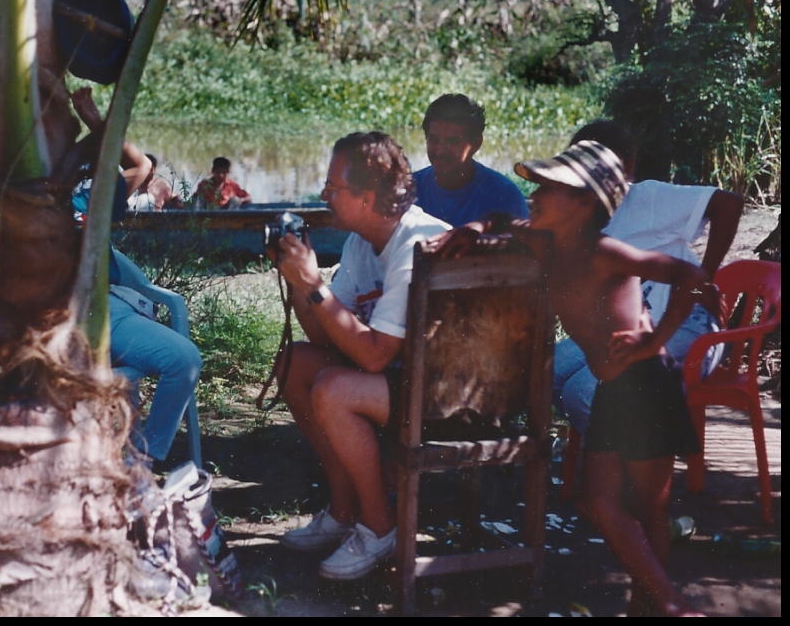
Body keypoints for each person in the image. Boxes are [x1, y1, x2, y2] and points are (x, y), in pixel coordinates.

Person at [429, 141, 707, 617]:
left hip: (648, 383)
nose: (532, 196)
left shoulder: (604, 252)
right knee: (597, 500)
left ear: (583, 205)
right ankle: (660, 601)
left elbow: (686, 274)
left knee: (645, 507)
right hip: (617, 389)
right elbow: (500, 219)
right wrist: (475, 227)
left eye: (547, 190)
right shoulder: (546, 241)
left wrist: (652, 337)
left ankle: (666, 604)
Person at [272, 132, 450, 580]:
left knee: (335, 388)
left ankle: (379, 526)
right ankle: (344, 509)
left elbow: (372, 357)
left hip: (448, 394)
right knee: (295, 364)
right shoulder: (361, 241)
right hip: (403, 379)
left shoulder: (417, 245)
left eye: (333, 187)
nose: (323, 194)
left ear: (367, 198)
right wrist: (298, 281)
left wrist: (316, 287)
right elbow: (328, 336)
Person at [553, 120, 744, 438]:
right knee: (552, 372)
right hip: (624, 327)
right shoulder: (579, 215)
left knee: (584, 390)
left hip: (687, 324)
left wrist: (703, 281)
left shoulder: (647, 197)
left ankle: (631, 475)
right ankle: (612, 459)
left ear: (627, 168)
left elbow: (729, 203)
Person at [70, 89, 201, 466]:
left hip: (107, 308)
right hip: (51, 315)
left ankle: (141, 458)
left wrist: (94, 121)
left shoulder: (92, 190)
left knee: (183, 357)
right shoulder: (25, 195)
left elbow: (141, 166)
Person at [412, 93, 529, 226]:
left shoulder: (504, 195)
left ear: (476, 143)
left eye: (452, 141)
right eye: (434, 140)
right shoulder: (409, 189)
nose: (440, 151)